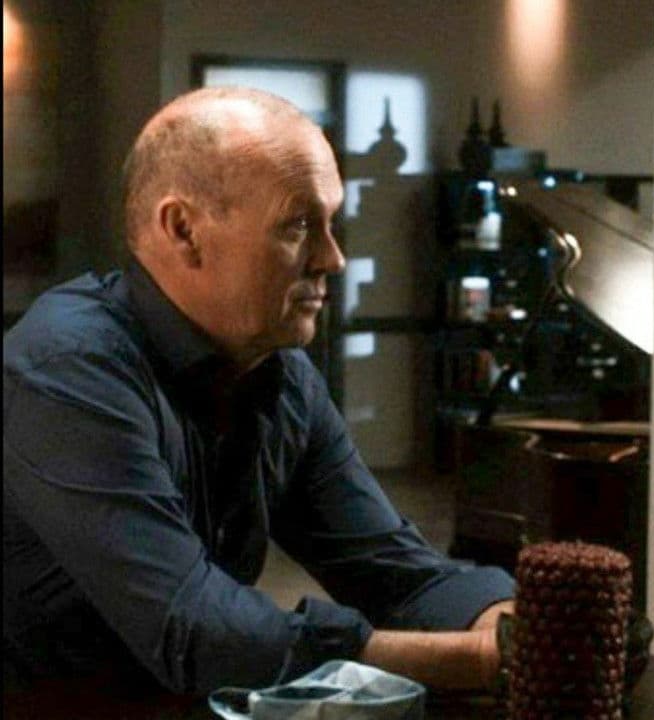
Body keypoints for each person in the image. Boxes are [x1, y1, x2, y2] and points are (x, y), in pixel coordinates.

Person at [3, 87, 516, 699]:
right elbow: (196, 631)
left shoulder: (282, 376)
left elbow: (395, 572)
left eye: (331, 223)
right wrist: (477, 660)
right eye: (298, 225)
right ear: (183, 230)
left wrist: (509, 623)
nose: (333, 258)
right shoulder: (67, 368)